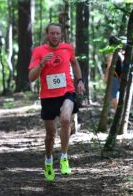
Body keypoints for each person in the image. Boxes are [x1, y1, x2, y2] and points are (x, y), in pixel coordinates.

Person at [28, 23, 85, 181]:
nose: (55, 36)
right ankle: (48, 161)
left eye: (57, 33)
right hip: (47, 96)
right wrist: (41, 64)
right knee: (50, 134)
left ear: (61, 35)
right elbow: (31, 77)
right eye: (52, 33)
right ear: (47, 34)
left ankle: (64, 157)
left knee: (66, 119)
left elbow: (74, 63)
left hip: (67, 91)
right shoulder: (39, 51)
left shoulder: (68, 48)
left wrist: (80, 80)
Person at [103, 36, 125, 111]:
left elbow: (109, 66)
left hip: (114, 77)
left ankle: (117, 114)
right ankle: (119, 114)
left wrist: (105, 77)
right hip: (120, 78)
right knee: (117, 96)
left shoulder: (112, 52)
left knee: (113, 97)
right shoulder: (121, 53)